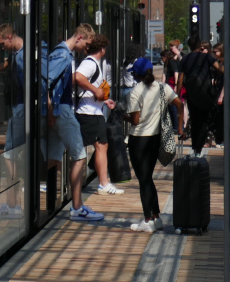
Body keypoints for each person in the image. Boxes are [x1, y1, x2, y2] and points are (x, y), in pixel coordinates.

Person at [47, 23, 103, 223]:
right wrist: (50, 108)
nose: (86, 49)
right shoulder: (63, 56)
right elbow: (46, 81)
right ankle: (77, 207)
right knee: (79, 157)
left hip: (58, 110)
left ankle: (24, 179)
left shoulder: (62, 54)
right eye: (86, 44)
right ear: (79, 37)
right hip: (62, 110)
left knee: (53, 158)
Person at [126, 57, 182, 233]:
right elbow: (179, 104)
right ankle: (156, 218)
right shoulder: (162, 87)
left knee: (144, 181)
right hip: (155, 139)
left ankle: (147, 219)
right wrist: (180, 128)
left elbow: (135, 120)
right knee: (148, 178)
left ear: (136, 74)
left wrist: (122, 115)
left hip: (139, 140)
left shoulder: (135, 91)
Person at [74, 35, 122, 195]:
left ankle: (102, 182)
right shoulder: (90, 63)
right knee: (101, 146)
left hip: (93, 110)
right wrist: (95, 91)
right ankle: (103, 183)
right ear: (102, 49)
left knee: (99, 146)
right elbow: (78, 77)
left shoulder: (93, 63)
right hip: (89, 113)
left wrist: (105, 100)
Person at [0, 24, 26, 219]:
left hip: (20, 109)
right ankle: (12, 202)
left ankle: (12, 204)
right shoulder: (18, 54)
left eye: (2, 44)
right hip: (19, 108)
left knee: (9, 154)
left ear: (8, 37)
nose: (2, 48)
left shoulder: (21, 59)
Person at [177, 34, 217, 156]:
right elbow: (219, 68)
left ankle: (195, 148)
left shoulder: (185, 60)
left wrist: (178, 94)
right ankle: (200, 147)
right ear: (200, 45)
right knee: (204, 120)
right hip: (206, 93)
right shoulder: (206, 57)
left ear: (189, 46)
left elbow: (180, 79)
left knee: (195, 120)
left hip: (192, 95)